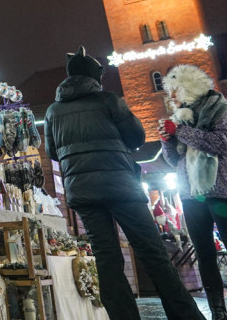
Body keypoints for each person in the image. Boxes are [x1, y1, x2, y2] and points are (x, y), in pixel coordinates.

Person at [44, 46, 204, 320]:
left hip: (83, 191)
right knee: (151, 251)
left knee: (106, 258)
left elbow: (53, 153)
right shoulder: (108, 100)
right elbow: (136, 138)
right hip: (120, 185)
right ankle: (185, 316)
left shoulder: (52, 111)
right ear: (94, 77)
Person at [159, 64, 227, 320]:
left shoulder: (220, 113)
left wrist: (181, 132)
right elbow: (175, 161)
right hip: (191, 196)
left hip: (222, 194)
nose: (174, 97)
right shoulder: (181, 118)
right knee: (205, 255)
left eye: (177, 91)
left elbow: (222, 144)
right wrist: (167, 142)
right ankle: (218, 311)